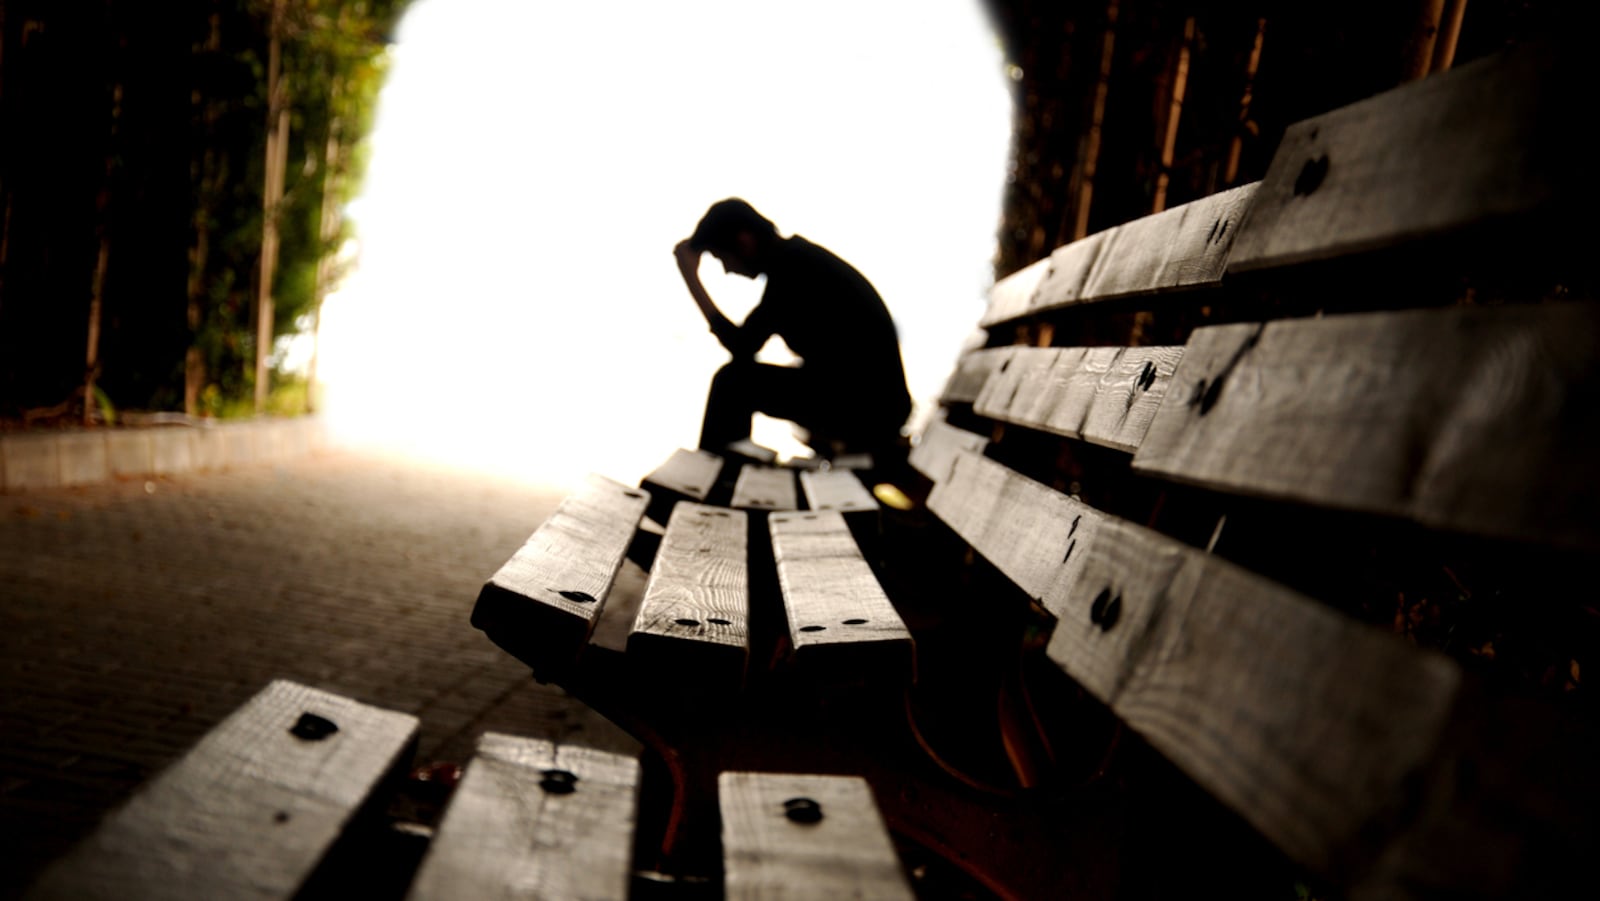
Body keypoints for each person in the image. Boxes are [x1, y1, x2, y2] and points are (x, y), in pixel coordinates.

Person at [674, 198, 913, 464]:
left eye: (722, 258)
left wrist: (692, 280)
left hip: (871, 413)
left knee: (733, 382)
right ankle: (718, 474)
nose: (727, 270)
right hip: (872, 404)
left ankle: (704, 480)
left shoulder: (792, 270)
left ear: (745, 242)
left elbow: (742, 346)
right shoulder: (794, 262)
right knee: (737, 379)